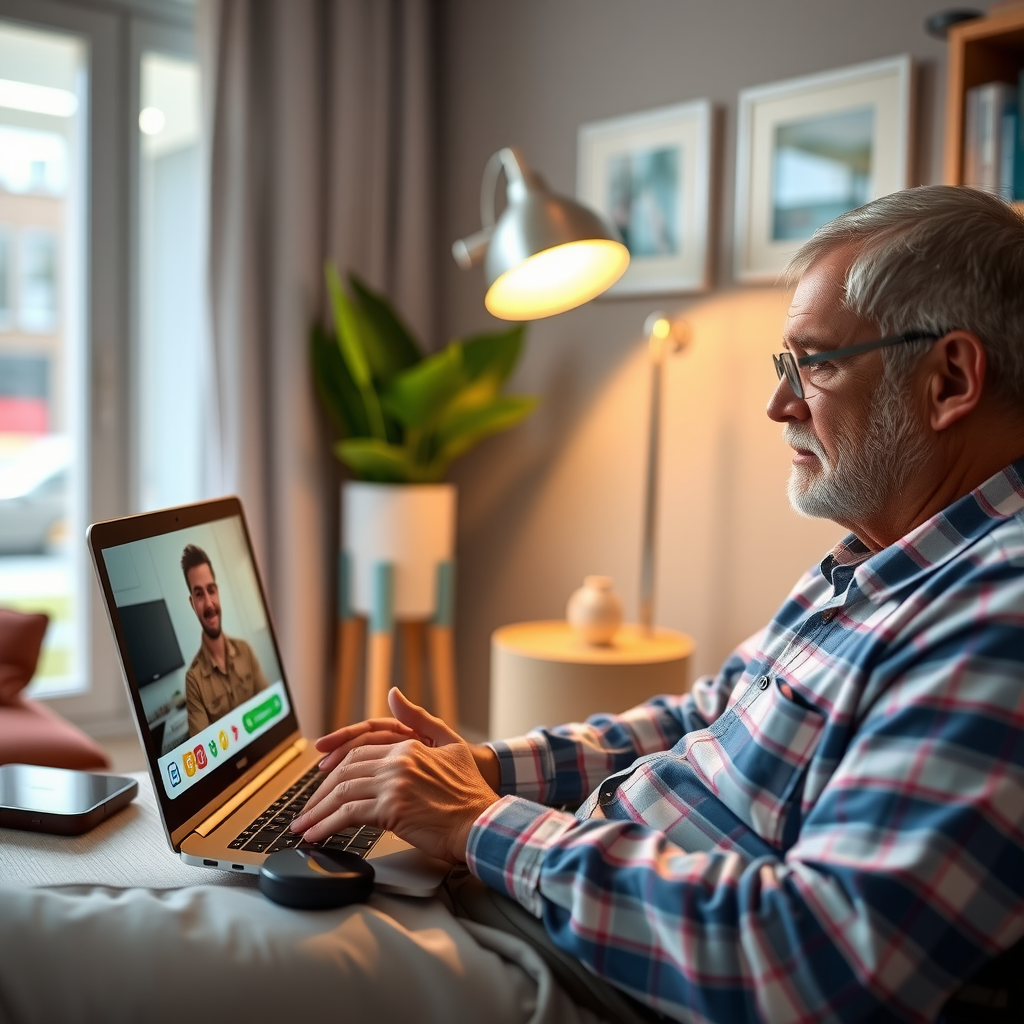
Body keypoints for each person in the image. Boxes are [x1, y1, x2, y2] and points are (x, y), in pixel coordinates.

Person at [1, 185, 1022, 1024]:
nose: (778, 403)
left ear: (949, 377)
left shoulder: (994, 618)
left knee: (44, 937)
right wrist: (485, 764)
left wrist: (483, 823)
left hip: (595, 978)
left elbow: (817, 963)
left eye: (815, 361)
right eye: (783, 363)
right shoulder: (879, 559)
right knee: (113, 860)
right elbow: (700, 714)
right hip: (554, 889)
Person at [181, 543, 269, 735]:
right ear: (192, 603)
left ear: (218, 592)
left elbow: (270, 711)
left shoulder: (245, 650)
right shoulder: (193, 681)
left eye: (211, 590)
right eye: (199, 594)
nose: (209, 603)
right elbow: (202, 752)